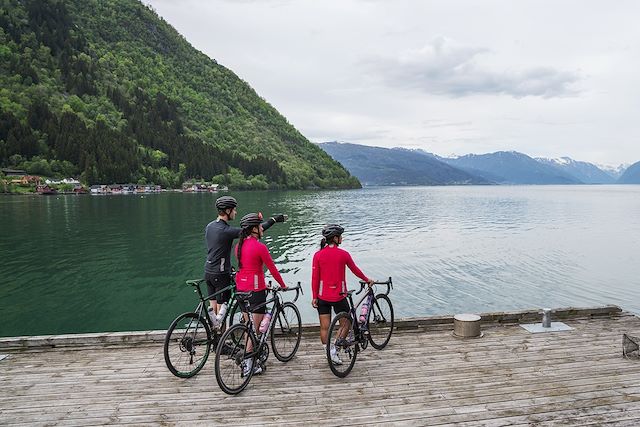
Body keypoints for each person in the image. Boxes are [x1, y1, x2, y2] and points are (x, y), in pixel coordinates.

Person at [204, 196, 285, 328]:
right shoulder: (226, 231)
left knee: (212, 309)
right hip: (221, 273)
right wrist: (272, 221)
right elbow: (252, 230)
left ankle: (213, 340)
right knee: (221, 314)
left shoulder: (210, 226)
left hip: (208, 272)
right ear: (228, 210)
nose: (236, 213)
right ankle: (221, 344)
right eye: (234, 210)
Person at [311, 224, 373, 365]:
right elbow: (355, 270)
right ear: (335, 238)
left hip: (322, 297)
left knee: (324, 327)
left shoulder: (318, 255)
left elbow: (315, 277)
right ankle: (335, 350)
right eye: (340, 236)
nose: (342, 238)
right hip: (339, 296)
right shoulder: (343, 254)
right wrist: (367, 279)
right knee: (346, 323)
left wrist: (314, 296)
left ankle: (328, 351)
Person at [234, 212, 288, 375]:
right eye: (260, 225)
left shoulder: (239, 246)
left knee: (248, 328)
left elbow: (245, 268)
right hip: (256, 291)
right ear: (254, 229)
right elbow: (271, 268)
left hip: (241, 289)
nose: (262, 228)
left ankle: (247, 358)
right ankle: (248, 365)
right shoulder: (260, 247)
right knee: (255, 330)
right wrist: (283, 285)